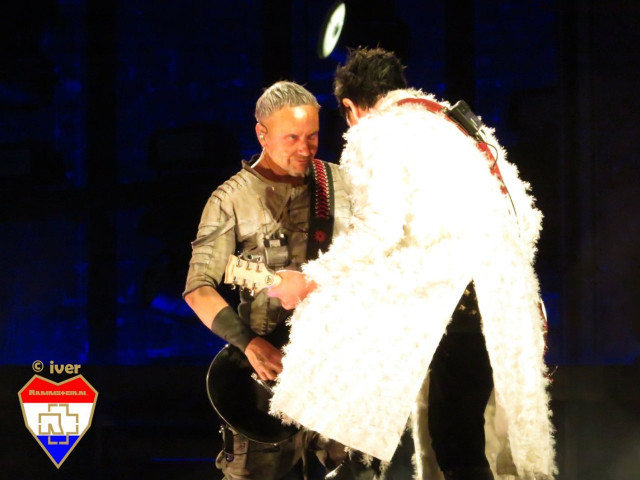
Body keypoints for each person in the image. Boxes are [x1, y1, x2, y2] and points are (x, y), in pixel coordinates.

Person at [268, 48, 556, 480]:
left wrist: (311, 279)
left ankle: (344, 453)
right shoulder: (456, 123)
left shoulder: (376, 131)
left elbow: (378, 231)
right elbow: (527, 218)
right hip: (506, 301)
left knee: (455, 435)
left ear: (350, 107)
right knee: (479, 439)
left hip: (462, 299)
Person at [183, 81, 356, 479]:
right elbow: (198, 289)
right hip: (267, 376)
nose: (305, 148)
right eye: (291, 137)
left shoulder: (344, 185)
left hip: (340, 371)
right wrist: (250, 344)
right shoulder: (230, 199)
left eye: (312, 136)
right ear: (261, 133)